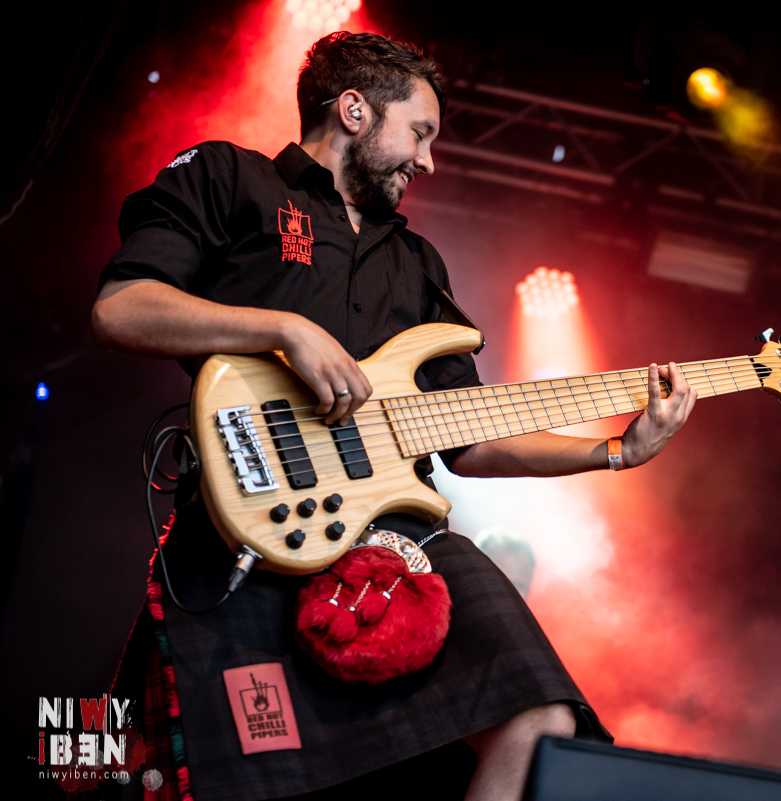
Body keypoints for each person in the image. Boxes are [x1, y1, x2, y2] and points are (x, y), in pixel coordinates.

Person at [91, 32, 695, 801]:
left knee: (542, 714)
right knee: (230, 782)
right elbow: (121, 308)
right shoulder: (227, 178)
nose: (429, 160)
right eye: (420, 132)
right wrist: (280, 328)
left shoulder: (418, 263)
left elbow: (468, 440)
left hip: (392, 542)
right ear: (354, 111)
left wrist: (613, 450)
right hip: (244, 525)